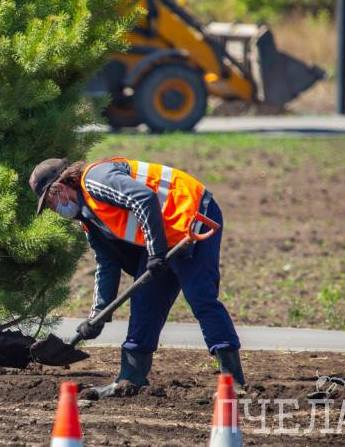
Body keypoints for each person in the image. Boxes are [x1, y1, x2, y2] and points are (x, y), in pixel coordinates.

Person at [29, 157, 245, 396]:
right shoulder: (90, 219)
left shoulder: (95, 179)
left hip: (192, 216)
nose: (53, 210)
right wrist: (98, 317)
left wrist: (154, 253)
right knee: (144, 302)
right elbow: (107, 265)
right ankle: (131, 378)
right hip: (162, 237)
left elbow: (143, 198)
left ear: (57, 188)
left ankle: (232, 381)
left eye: (49, 203)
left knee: (200, 297)